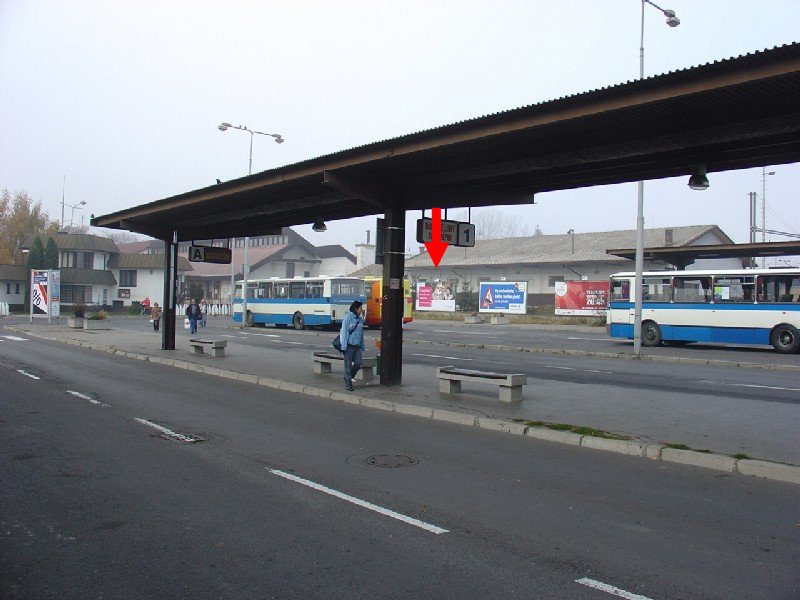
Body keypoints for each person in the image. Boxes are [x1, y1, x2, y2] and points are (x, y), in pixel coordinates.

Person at [339, 301, 365, 391]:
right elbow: (344, 332)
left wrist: (362, 345)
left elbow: (361, 334)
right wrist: (344, 346)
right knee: (348, 365)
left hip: (357, 346)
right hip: (349, 345)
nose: (362, 310)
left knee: (358, 363)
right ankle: (348, 383)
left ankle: (348, 377)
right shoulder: (348, 318)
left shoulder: (360, 320)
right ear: (356, 309)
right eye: (360, 308)